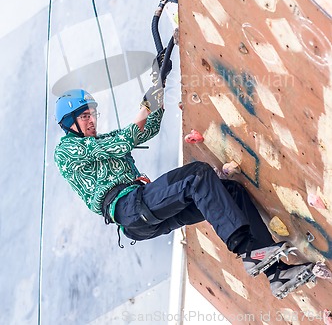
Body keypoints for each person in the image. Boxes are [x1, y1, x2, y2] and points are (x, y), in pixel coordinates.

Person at [54, 84, 315, 300]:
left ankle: (277, 274)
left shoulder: (98, 142)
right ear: (70, 123)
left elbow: (147, 130)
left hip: (142, 212)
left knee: (230, 191)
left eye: (92, 114)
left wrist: (157, 99)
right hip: (129, 207)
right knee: (198, 177)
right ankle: (246, 250)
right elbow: (126, 139)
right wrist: (144, 106)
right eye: (85, 116)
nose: (92, 120)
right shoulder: (66, 150)